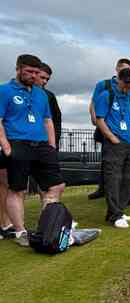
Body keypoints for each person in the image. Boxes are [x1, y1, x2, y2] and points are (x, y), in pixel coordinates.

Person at [0, 54, 65, 246]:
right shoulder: (4, 91)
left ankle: (47, 227)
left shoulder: (41, 94)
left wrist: (52, 146)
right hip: (17, 144)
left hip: (42, 145)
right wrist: (6, 146)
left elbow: (47, 120)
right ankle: (20, 232)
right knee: (17, 189)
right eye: (29, 71)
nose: (33, 76)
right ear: (19, 69)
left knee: (56, 186)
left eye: (36, 72)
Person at [88, 58, 130, 205]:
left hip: (129, 131)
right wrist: (98, 124)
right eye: (124, 70)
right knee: (110, 164)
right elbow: (94, 105)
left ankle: (128, 196)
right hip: (110, 128)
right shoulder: (104, 86)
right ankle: (106, 193)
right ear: (117, 70)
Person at [94, 68, 130, 229]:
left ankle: (119, 210)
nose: (128, 87)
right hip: (114, 143)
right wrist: (111, 137)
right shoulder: (107, 95)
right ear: (119, 80)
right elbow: (99, 119)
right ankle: (115, 214)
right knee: (113, 178)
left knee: (129, 178)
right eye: (126, 83)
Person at [37, 63, 62, 148]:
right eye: (42, 77)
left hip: (46, 143)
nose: (45, 81)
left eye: (47, 79)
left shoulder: (49, 96)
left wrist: (54, 141)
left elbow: (56, 118)